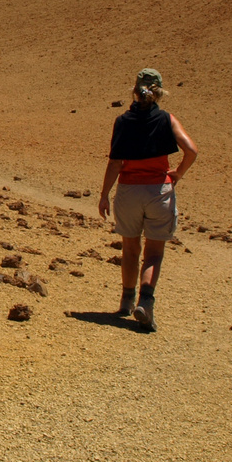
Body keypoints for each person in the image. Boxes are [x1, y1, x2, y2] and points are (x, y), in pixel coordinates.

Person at [96, 68, 197, 332]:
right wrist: (178, 173)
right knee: (154, 252)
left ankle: (126, 301)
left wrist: (104, 195)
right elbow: (191, 150)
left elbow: (116, 162)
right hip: (158, 192)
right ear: (159, 92)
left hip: (129, 192)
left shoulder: (123, 120)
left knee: (130, 249)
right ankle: (146, 303)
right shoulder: (166, 119)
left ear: (135, 90)